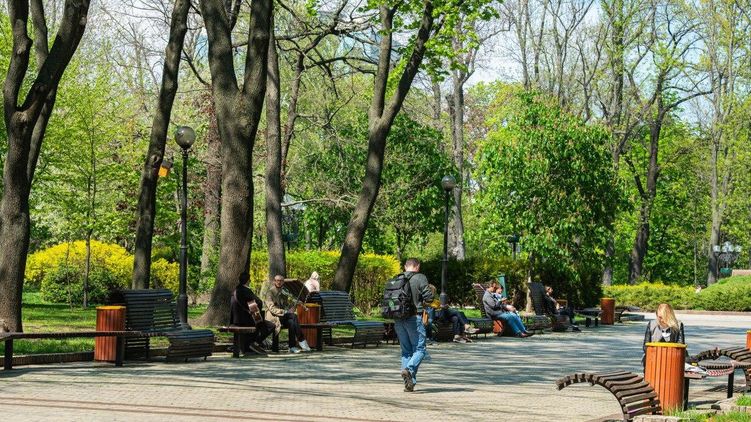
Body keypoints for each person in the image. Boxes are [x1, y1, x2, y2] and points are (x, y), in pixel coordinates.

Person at [394, 258, 433, 392]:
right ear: (417, 267)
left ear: (405, 267)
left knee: (406, 351)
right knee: (420, 349)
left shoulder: (397, 278)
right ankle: (409, 369)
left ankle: (410, 384)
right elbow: (429, 297)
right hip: (413, 318)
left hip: (398, 318)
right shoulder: (420, 277)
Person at [262, 274, 312, 353]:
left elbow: (285, 305)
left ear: (283, 282)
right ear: (274, 281)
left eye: (281, 281)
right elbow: (272, 309)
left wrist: (293, 306)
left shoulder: (283, 291)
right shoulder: (270, 292)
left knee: (291, 322)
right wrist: (286, 312)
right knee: (294, 316)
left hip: (282, 317)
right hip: (273, 317)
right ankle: (302, 340)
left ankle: (292, 347)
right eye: (277, 280)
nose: (279, 282)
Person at [230, 273, 276, 355]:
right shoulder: (246, 290)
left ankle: (248, 347)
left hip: (236, 320)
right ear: (248, 281)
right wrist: (257, 311)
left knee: (259, 324)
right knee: (271, 326)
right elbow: (259, 302)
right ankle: (254, 343)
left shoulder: (235, 290)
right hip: (246, 319)